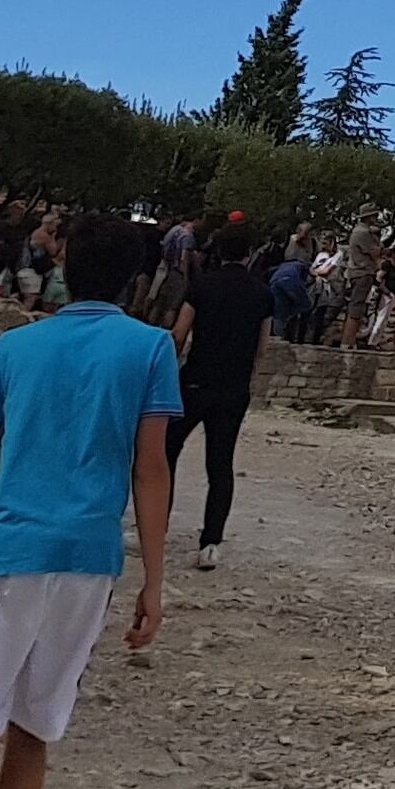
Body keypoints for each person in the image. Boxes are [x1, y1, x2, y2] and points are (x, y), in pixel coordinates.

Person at [0, 212, 175, 789]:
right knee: (34, 729)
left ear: (63, 263)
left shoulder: (13, 347)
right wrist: (154, 582)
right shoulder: (151, 348)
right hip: (89, 560)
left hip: (10, 549)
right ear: (134, 277)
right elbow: (151, 469)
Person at [163, 229, 269, 572]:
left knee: (166, 454)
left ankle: (156, 525)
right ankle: (210, 542)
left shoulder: (202, 286)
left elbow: (179, 334)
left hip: (195, 381)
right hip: (233, 387)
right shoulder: (262, 294)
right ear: (249, 254)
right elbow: (262, 348)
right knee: (220, 464)